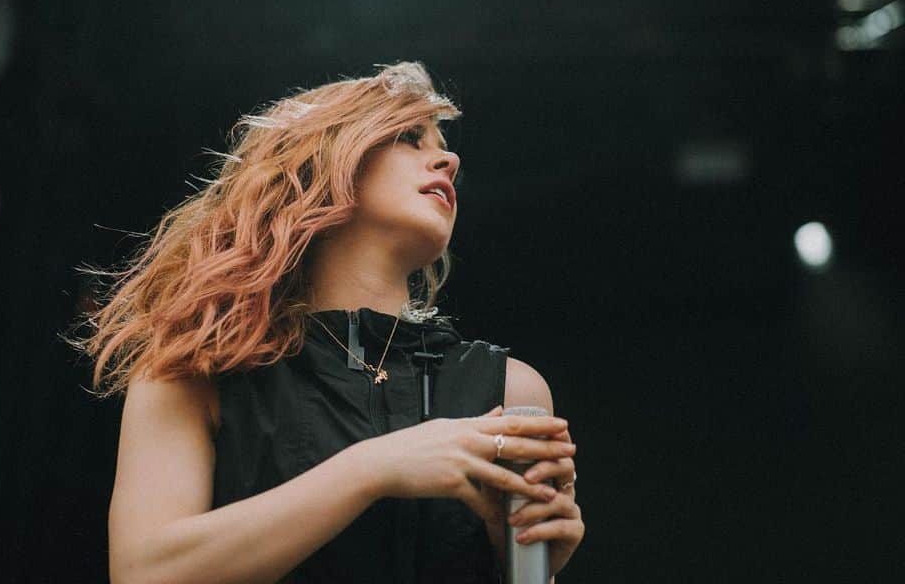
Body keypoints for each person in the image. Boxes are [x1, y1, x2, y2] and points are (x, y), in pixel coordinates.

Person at [73, 62, 584, 583]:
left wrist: (528, 563)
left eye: (443, 144)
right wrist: (374, 468)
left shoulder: (510, 391)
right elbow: (143, 574)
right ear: (326, 162)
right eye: (410, 137)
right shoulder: (191, 365)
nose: (448, 159)